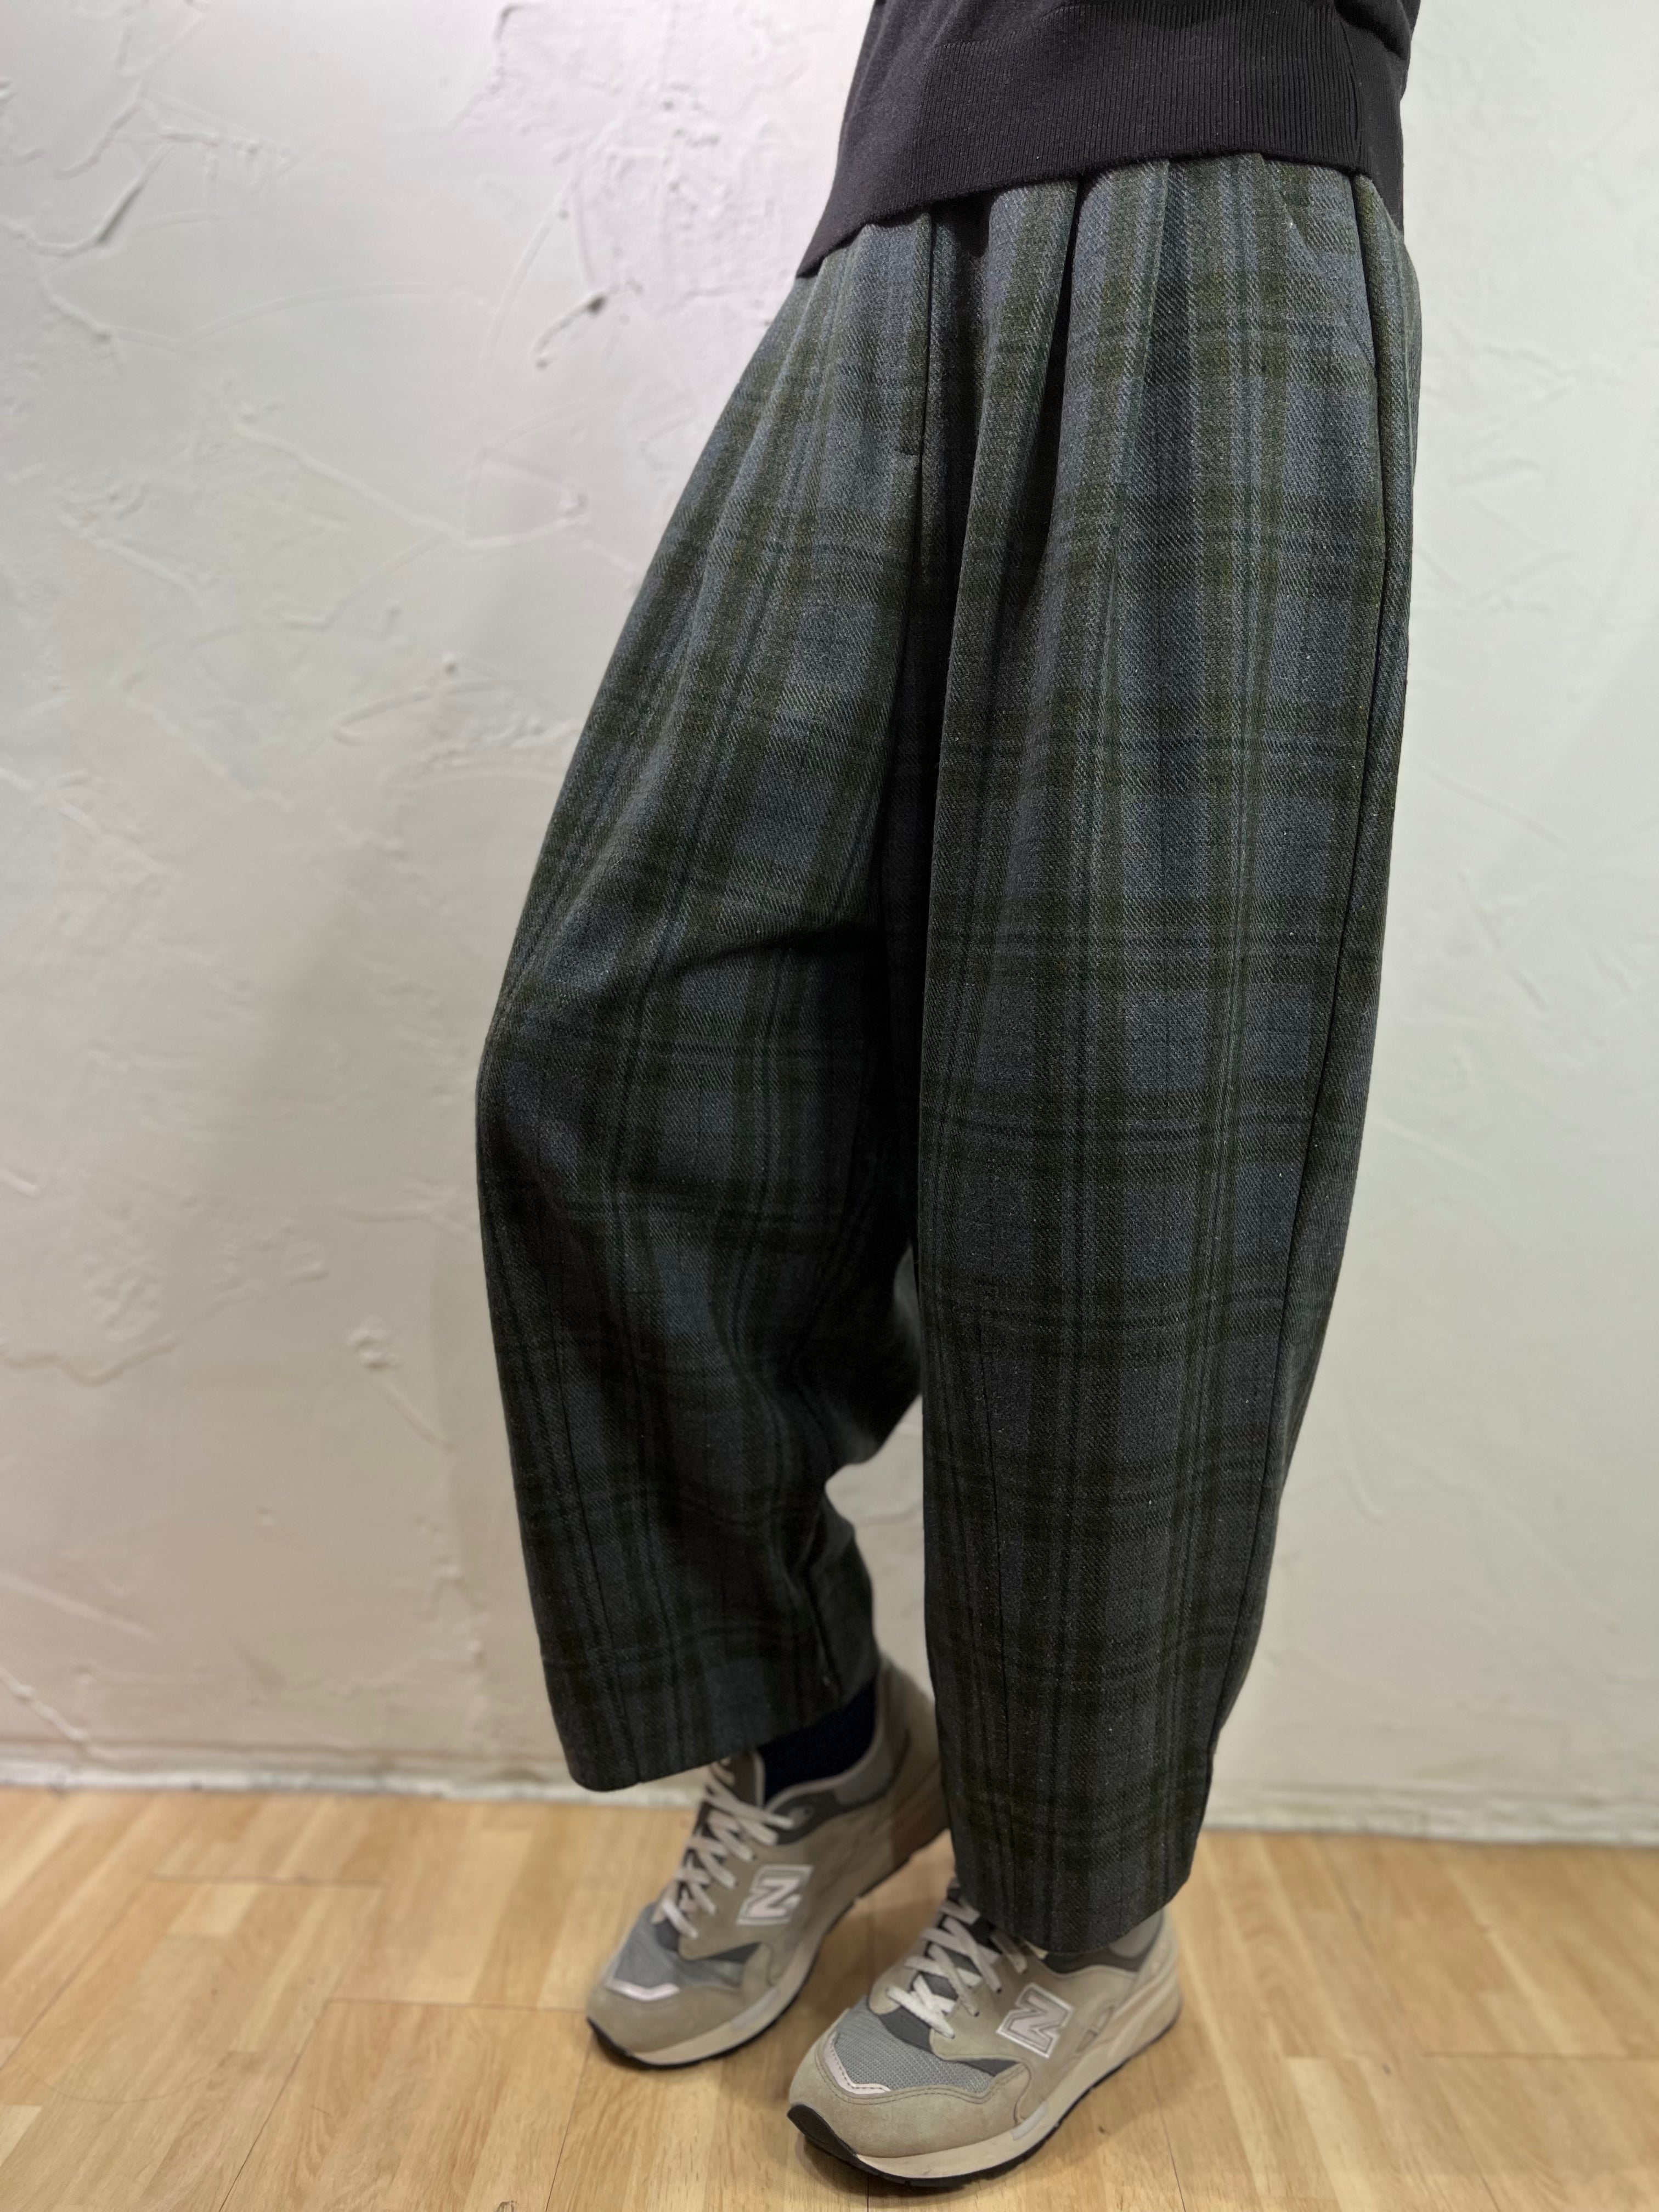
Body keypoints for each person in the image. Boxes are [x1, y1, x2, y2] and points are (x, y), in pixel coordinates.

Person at [476, 0, 1423, 2183]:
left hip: (1229, 200)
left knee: (1109, 1138)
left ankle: (1077, 1911)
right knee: (603, 1047)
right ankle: (820, 1739)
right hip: (899, 215)